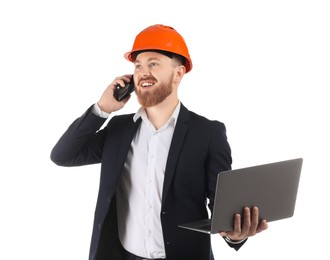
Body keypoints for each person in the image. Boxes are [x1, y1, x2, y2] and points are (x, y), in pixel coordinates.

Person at [50, 24, 268, 260]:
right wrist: (101, 109)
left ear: (178, 73)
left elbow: (222, 209)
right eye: (138, 66)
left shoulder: (207, 134)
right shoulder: (118, 129)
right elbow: (63, 155)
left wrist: (235, 234)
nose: (143, 72)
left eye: (153, 64)